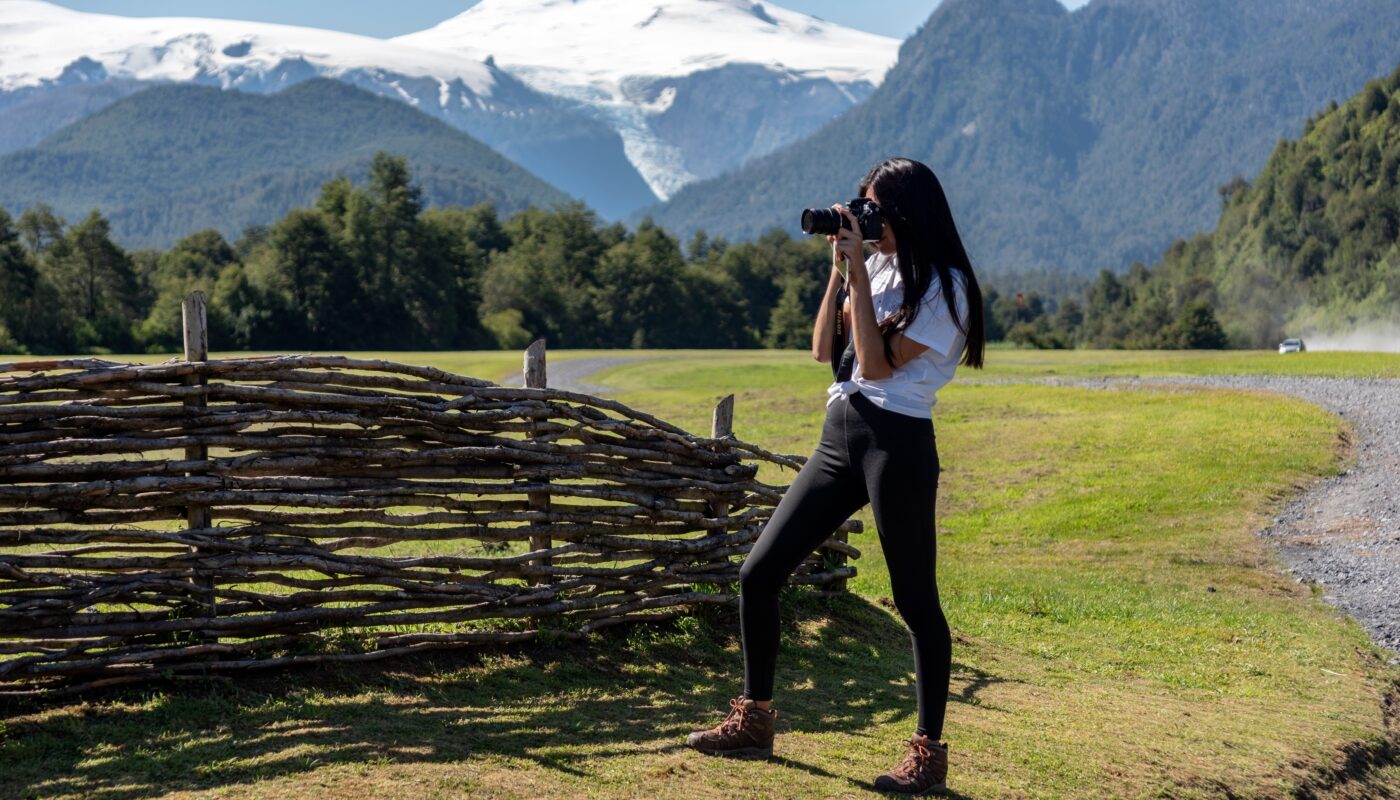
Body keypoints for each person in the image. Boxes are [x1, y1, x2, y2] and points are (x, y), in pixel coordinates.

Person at [684, 157, 986, 795]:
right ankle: (755, 719)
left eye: (873, 205)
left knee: (915, 601)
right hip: (839, 435)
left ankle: (928, 753)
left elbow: (877, 369)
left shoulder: (948, 287)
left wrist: (860, 279)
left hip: (895, 443)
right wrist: (841, 270)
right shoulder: (872, 265)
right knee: (758, 573)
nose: (863, 214)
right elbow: (824, 350)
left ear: (905, 210)